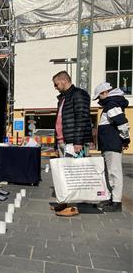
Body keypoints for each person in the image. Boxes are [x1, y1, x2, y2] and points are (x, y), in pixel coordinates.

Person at [51, 71, 93, 217]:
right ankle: (65, 202)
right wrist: (57, 144)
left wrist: (78, 141)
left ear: (63, 81)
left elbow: (81, 118)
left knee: (75, 174)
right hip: (64, 141)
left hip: (74, 142)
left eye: (56, 84)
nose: (55, 87)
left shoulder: (79, 94)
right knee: (65, 174)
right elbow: (60, 121)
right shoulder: (63, 98)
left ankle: (73, 206)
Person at [93, 82, 130, 212]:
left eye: (99, 97)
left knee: (114, 173)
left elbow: (122, 122)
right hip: (109, 144)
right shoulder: (112, 103)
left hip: (111, 144)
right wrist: (125, 140)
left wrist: (126, 139)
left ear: (105, 93)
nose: (98, 100)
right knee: (110, 172)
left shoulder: (112, 104)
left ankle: (116, 202)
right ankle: (112, 198)